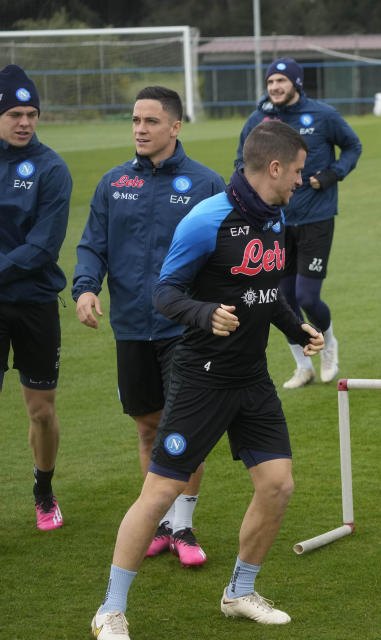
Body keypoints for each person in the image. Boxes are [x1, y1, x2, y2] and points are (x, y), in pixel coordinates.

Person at [90, 120, 323, 640]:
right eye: (299, 172)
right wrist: (204, 314)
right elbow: (164, 293)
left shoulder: (276, 215)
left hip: (253, 378)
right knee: (159, 493)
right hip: (202, 379)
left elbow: (266, 289)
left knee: (278, 485)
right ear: (275, 167)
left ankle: (240, 592)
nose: (301, 181)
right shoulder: (208, 218)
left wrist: (295, 327)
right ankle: (110, 609)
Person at [73, 86, 226, 565]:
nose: (140, 129)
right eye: (135, 120)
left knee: (186, 430)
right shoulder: (113, 183)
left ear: (175, 127)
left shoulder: (206, 184)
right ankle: (161, 521)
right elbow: (92, 244)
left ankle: (183, 527)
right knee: (147, 427)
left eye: (151, 121)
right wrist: (85, 287)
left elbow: (225, 253)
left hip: (187, 330)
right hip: (132, 327)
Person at [237, 57, 361, 388]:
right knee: (282, 298)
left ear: (296, 83)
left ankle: (329, 343)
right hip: (273, 222)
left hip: (316, 218)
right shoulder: (258, 120)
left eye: (281, 81)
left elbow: (352, 146)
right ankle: (302, 365)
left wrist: (332, 175)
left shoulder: (323, 115)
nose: (275, 87)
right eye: (270, 82)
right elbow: (242, 161)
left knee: (306, 296)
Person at [0, 64, 72, 531]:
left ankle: (43, 490)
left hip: (35, 304)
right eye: (14, 114)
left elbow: (44, 245)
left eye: (31, 113)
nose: (25, 122)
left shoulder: (52, 169)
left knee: (41, 410)